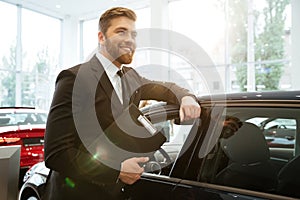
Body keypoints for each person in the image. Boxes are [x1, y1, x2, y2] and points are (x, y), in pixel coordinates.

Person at [43, 7, 201, 200]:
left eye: (133, 34)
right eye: (121, 31)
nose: (130, 40)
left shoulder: (131, 77)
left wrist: (187, 97)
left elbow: (166, 88)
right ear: (101, 38)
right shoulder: (75, 78)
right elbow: (56, 154)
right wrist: (115, 170)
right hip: (76, 193)